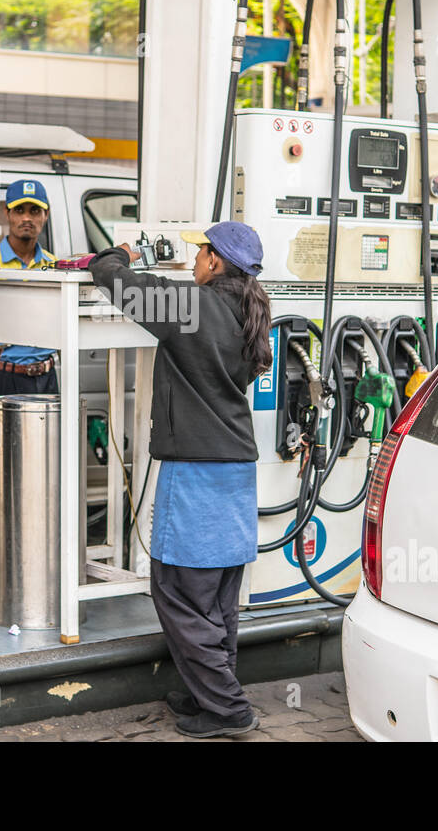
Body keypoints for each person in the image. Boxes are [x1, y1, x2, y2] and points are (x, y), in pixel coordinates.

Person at [89, 221, 272, 739]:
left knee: (177, 594)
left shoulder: (189, 306)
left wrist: (124, 250)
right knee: (215, 599)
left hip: (196, 472)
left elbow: (109, 275)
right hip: (236, 472)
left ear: (215, 262)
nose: (193, 261)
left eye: (199, 254)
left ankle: (228, 707)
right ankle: (206, 696)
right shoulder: (251, 311)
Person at [0, 179, 60, 395]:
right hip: (3, 378)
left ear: (46, 215)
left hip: (47, 377)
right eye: (19, 210)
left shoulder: (54, 266)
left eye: (34, 210)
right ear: (7, 214)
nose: (26, 217)